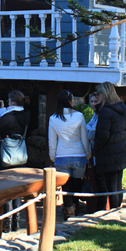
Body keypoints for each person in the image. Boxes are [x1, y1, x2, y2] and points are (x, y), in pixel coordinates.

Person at [0, 90, 31, 232]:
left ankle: (7, 222)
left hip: (6, 155)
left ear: (12, 102)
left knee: (7, 189)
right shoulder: (25, 115)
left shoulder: (8, 118)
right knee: (17, 189)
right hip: (19, 154)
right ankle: (16, 222)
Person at [48, 90, 91, 219]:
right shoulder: (79, 116)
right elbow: (84, 137)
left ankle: (68, 211)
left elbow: (52, 140)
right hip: (78, 154)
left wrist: (52, 155)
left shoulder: (53, 118)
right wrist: (87, 153)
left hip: (62, 155)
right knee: (76, 183)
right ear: (71, 101)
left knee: (65, 186)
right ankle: (75, 207)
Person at [92, 82, 126, 209]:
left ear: (105, 94)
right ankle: (117, 209)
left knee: (112, 187)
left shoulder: (106, 112)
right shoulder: (120, 109)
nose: (98, 96)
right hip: (120, 151)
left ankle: (114, 211)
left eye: (99, 93)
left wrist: (95, 149)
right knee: (117, 185)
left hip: (110, 153)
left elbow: (103, 135)